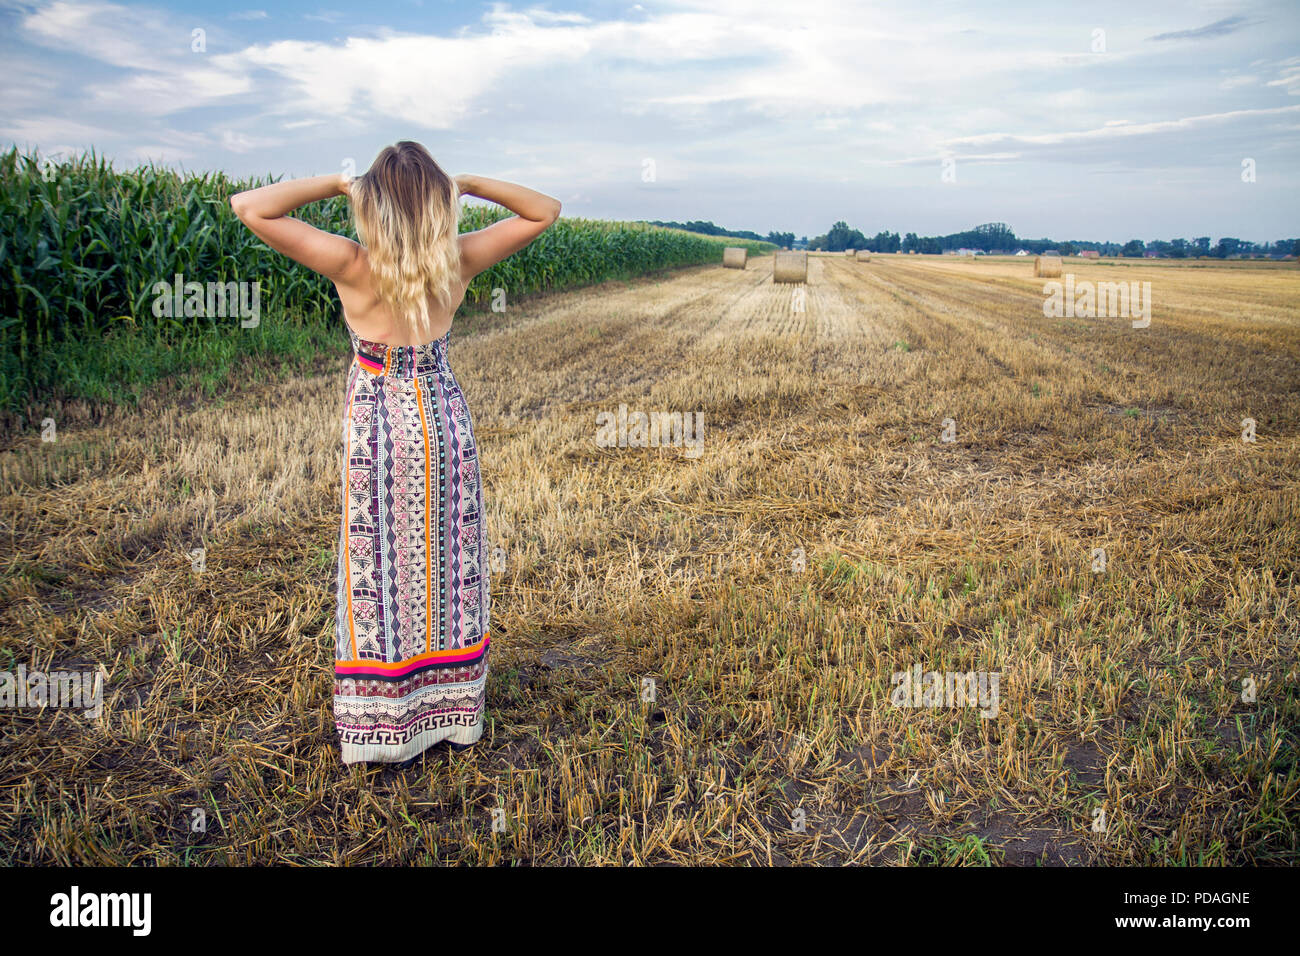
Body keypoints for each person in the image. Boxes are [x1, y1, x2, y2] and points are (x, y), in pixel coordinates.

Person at [230, 141, 561, 766]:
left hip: (378, 426)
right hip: (442, 422)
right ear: (437, 204)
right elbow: (545, 211)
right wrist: (463, 184)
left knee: (379, 565)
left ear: (371, 201)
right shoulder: (457, 261)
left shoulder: (352, 264)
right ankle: (450, 712)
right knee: (447, 559)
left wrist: (336, 182)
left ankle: (384, 719)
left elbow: (250, 207)